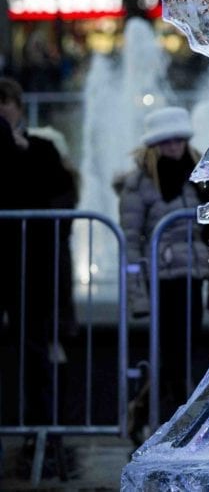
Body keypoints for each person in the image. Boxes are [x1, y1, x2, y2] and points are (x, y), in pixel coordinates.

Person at [115, 106, 209, 420]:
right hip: (160, 278)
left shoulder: (200, 177)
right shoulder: (139, 183)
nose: (174, 146)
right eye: (166, 141)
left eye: (178, 140)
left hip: (194, 275)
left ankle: (147, 412)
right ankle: (174, 418)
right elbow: (130, 241)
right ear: (153, 145)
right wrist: (137, 293)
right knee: (171, 355)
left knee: (183, 351)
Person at [0, 77, 78, 475]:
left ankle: (43, 429)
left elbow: (63, 196)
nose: (3, 113)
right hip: (19, 263)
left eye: (7, 105)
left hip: (35, 267)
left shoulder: (42, 148)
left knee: (38, 350)